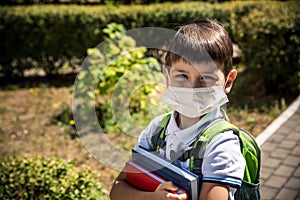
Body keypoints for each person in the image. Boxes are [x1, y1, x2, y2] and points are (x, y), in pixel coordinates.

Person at [110, 18, 245, 200]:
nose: (193, 88)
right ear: (167, 77)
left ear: (228, 81)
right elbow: (117, 190)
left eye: (206, 78)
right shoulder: (157, 129)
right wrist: (152, 197)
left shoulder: (221, 145)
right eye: (182, 76)